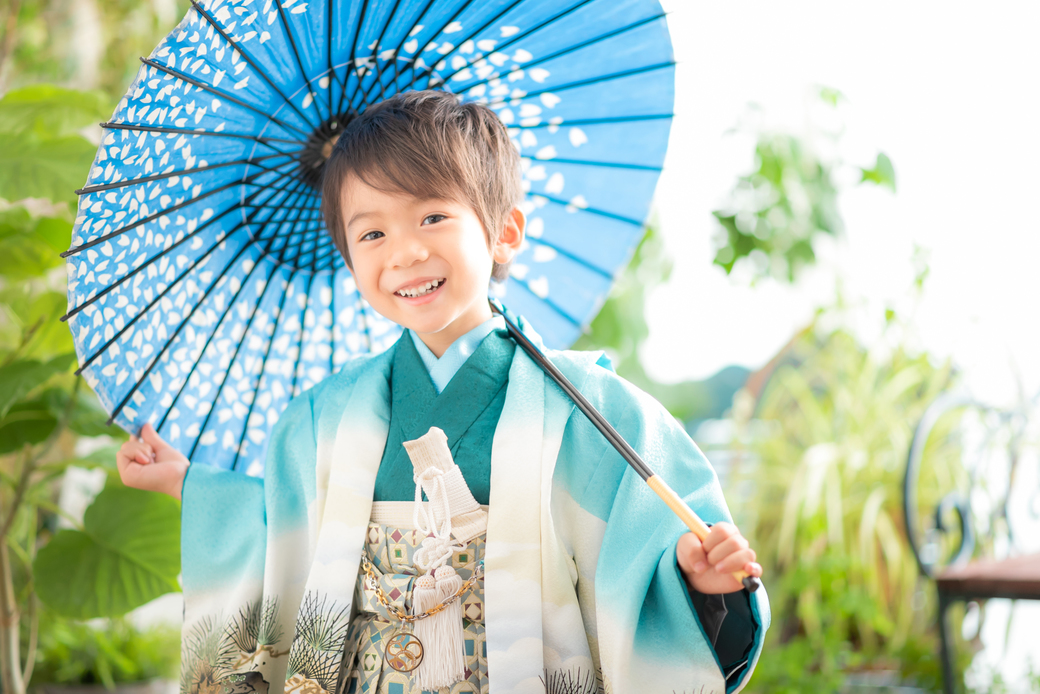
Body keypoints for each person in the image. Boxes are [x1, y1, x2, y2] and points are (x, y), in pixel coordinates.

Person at [117, 90, 768, 694]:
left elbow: (647, 553)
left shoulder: (589, 408)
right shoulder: (320, 418)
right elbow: (276, 527)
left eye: (431, 216)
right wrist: (188, 484)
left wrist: (698, 582)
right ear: (348, 258)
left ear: (504, 231)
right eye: (371, 233)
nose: (402, 253)